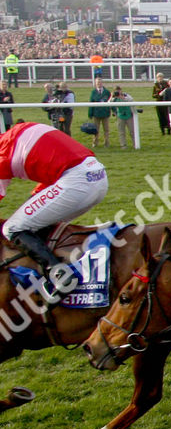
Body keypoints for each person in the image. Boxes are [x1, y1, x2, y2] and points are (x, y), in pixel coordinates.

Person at [0, 121, 109, 304]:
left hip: (77, 182)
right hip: (97, 176)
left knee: (12, 228)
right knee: (33, 223)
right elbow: (50, 172)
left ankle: (59, 274)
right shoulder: (19, 132)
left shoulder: (3, 153)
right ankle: (44, 270)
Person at [88, 78, 112, 147]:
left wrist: (113, 111)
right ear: (95, 84)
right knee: (95, 129)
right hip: (96, 114)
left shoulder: (107, 92)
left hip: (105, 113)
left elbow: (110, 101)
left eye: (100, 82)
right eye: (97, 83)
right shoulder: (93, 92)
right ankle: (95, 143)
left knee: (106, 130)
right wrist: (90, 113)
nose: (99, 84)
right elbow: (91, 103)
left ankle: (106, 143)